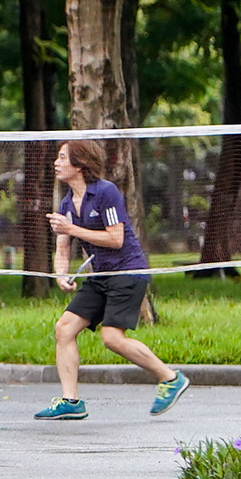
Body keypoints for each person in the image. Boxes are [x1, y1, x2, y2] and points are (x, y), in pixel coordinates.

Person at [36, 139, 191, 419]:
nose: (56, 163)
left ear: (80, 164)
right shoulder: (67, 202)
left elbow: (115, 238)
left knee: (111, 338)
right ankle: (71, 402)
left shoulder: (106, 193)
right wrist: (61, 274)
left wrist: (73, 228)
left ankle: (170, 378)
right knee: (65, 328)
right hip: (100, 275)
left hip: (127, 272)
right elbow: (62, 245)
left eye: (62, 157)